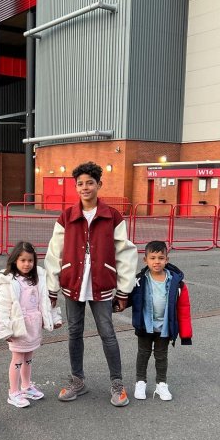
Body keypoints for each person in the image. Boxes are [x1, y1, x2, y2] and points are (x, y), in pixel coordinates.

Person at [44, 161, 138, 407]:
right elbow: (55, 252)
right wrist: (51, 287)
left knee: (107, 333)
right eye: (80, 184)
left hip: (102, 284)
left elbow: (125, 253)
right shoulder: (67, 216)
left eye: (90, 183)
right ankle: (78, 380)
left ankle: (117, 384)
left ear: (99, 185)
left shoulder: (112, 216)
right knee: (74, 332)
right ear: (76, 187)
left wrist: (124, 290)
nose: (85, 187)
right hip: (73, 283)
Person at [0, 241, 63, 408]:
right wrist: (5, 329)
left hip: (33, 325)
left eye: (30, 260)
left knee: (28, 357)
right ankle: (13, 391)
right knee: (17, 358)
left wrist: (54, 318)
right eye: (22, 260)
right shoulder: (9, 282)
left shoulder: (37, 279)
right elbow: (2, 307)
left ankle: (26, 386)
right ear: (15, 260)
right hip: (18, 326)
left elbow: (46, 301)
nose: (26, 264)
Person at [130, 240, 193, 401]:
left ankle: (161, 384)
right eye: (152, 258)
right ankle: (140, 382)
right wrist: (114, 305)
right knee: (143, 354)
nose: (156, 261)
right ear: (145, 260)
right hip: (145, 325)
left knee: (161, 356)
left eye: (160, 257)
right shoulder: (139, 280)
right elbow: (128, 298)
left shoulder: (176, 283)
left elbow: (184, 309)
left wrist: (185, 334)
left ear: (167, 259)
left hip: (165, 327)